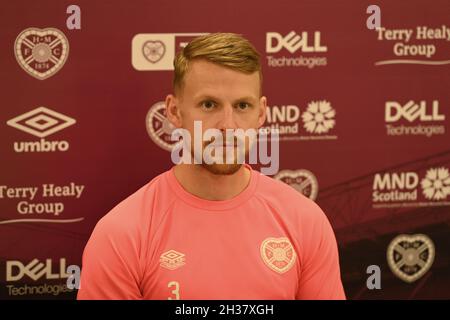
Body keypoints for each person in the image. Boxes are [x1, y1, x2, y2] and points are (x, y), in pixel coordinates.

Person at [77, 33, 346, 300]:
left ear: (261, 113)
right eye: (209, 104)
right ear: (173, 111)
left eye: (242, 105)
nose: (228, 125)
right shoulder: (121, 234)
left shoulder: (305, 221)